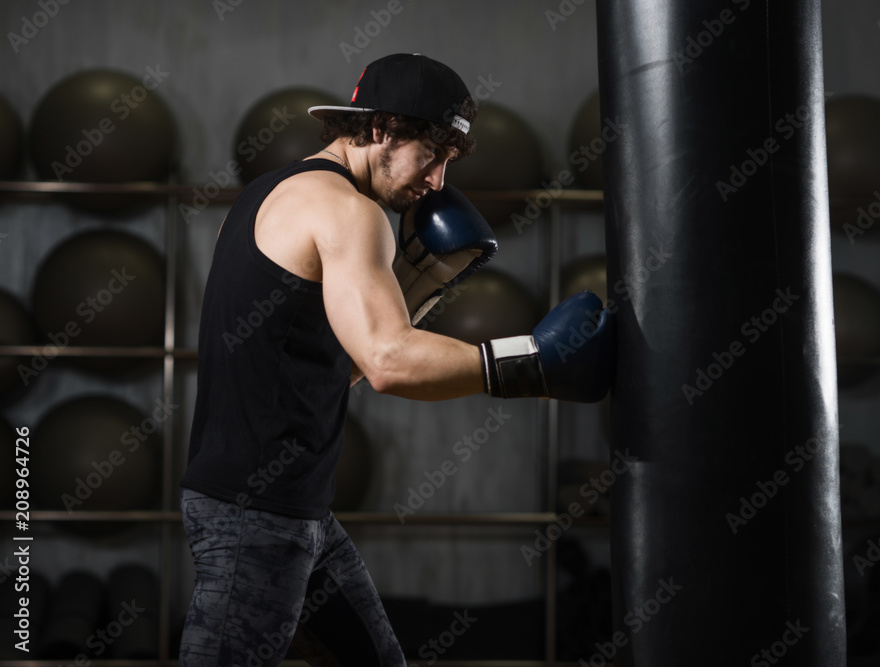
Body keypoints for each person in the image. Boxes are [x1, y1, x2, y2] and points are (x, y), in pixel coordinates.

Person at [178, 53, 613, 666]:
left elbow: (339, 367)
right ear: (381, 129)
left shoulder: (269, 194)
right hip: (258, 515)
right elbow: (387, 361)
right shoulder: (349, 214)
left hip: (290, 507)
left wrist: (418, 278)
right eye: (430, 156)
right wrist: (531, 362)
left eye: (446, 163)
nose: (436, 182)